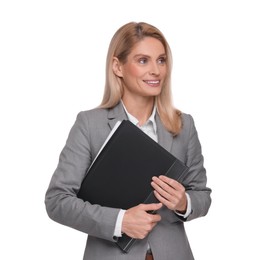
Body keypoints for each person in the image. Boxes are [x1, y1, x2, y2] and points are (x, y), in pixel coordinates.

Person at [45, 21, 212, 260]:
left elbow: (202, 195)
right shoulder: (90, 124)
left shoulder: (183, 125)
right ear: (118, 67)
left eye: (161, 60)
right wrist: (120, 221)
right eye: (143, 60)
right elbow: (57, 201)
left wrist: (183, 202)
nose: (156, 70)